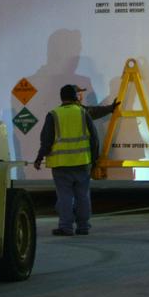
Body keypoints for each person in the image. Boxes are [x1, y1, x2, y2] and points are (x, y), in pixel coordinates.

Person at [34, 84, 101, 236]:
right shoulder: (83, 113)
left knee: (65, 196)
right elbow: (94, 139)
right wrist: (94, 159)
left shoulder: (54, 114)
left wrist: (39, 158)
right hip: (82, 162)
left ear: (61, 98)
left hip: (61, 165)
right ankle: (83, 227)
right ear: (75, 97)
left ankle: (66, 227)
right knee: (83, 196)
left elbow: (46, 140)